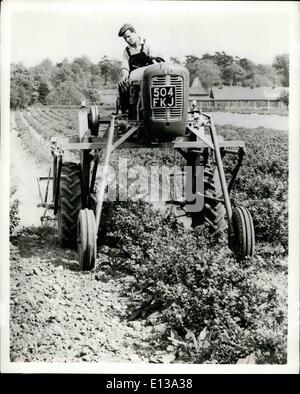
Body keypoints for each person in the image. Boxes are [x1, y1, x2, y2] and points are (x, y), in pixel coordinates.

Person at [117, 23, 163, 113]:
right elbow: (125, 66)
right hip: (136, 76)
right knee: (122, 84)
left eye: (128, 36)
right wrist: (124, 75)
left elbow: (157, 56)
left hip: (150, 75)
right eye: (125, 38)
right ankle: (126, 112)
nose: (127, 40)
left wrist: (153, 55)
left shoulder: (147, 44)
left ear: (134, 32)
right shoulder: (126, 51)